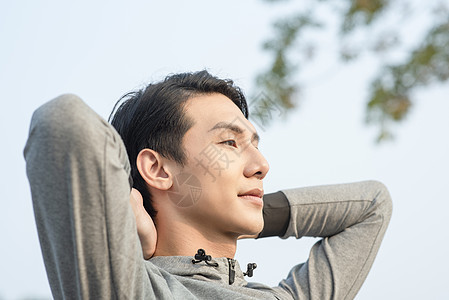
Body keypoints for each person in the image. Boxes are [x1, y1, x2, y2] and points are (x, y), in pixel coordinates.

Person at [24, 70, 392, 299]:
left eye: (255, 144)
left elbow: (372, 205)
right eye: (230, 143)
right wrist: (125, 228)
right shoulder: (131, 288)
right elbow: (64, 122)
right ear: (157, 169)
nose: (262, 166)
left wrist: (252, 216)